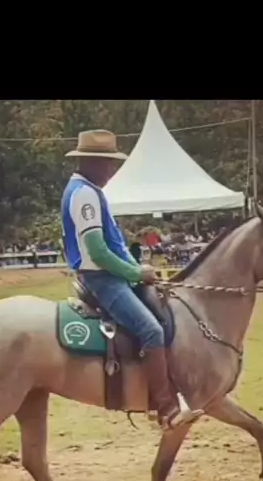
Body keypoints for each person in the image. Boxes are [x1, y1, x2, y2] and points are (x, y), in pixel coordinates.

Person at [61, 129, 202, 430]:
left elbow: (113, 245)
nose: (112, 170)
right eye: (108, 163)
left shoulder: (90, 190)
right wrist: (135, 273)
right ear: (91, 162)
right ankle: (165, 409)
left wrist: (138, 269)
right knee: (151, 330)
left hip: (113, 275)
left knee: (163, 314)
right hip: (103, 279)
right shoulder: (84, 195)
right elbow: (98, 251)